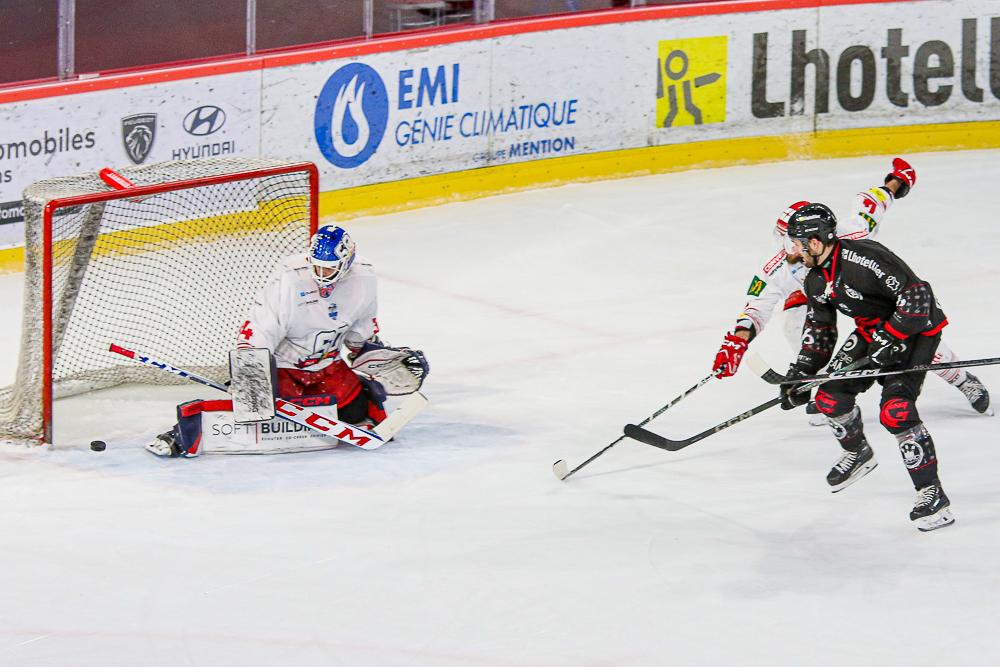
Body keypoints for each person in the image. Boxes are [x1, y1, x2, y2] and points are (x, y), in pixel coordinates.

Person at [712, 158, 991, 422]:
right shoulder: (779, 267)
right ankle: (820, 384)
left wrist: (896, 182)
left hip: (861, 291)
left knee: (911, 333)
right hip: (815, 295)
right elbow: (756, 307)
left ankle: (961, 378)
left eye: (794, 241)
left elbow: (871, 203)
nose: (789, 249)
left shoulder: (850, 232)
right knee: (798, 327)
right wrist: (737, 341)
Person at [149, 225, 416, 456]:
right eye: (317, 266)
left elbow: (361, 328)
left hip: (328, 366)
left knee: (355, 411)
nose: (321, 274)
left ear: (347, 262)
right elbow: (261, 327)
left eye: (329, 269)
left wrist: (373, 355)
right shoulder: (291, 277)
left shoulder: (364, 278)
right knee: (255, 415)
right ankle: (182, 432)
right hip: (285, 368)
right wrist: (252, 379)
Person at [778, 202, 954, 531]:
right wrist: (801, 373)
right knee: (829, 397)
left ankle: (933, 496)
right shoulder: (816, 280)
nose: (795, 252)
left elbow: (918, 296)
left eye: (798, 244)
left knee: (896, 411)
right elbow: (821, 331)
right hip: (874, 331)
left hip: (916, 330)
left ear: (814, 242)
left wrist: (893, 336)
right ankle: (858, 452)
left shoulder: (864, 258)